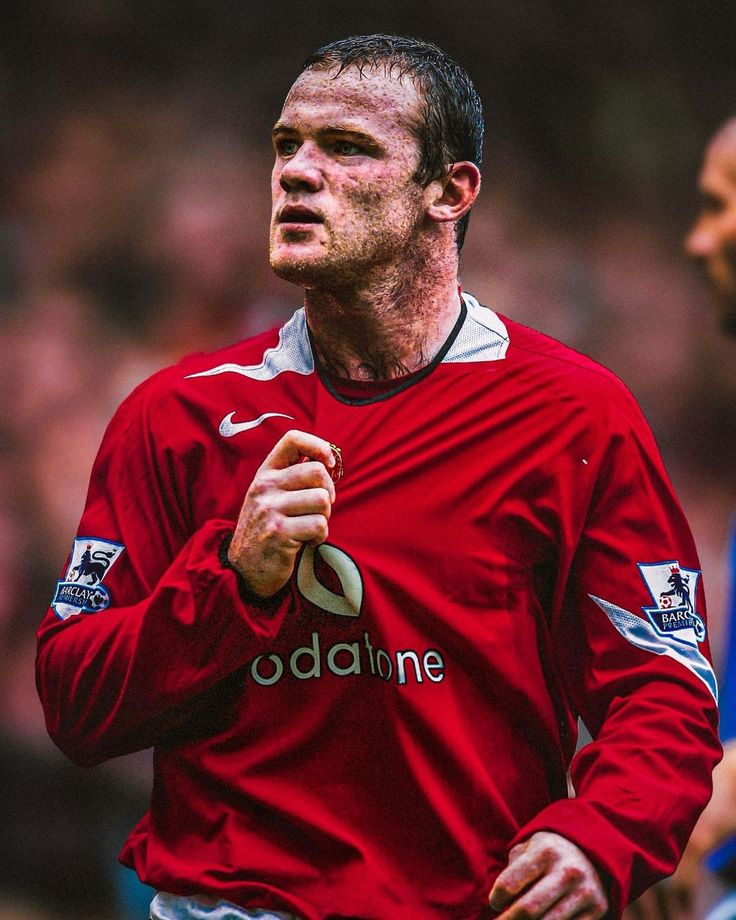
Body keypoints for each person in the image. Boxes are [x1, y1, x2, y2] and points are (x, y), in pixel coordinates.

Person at [36, 35, 721, 920]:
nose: (297, 172)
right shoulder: (176, 415)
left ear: (450, 191)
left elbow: (663, 686)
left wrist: (598, 837)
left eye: (347, 147)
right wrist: (231, 580)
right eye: (286, 145)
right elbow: (76, 703)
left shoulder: (573, 415)